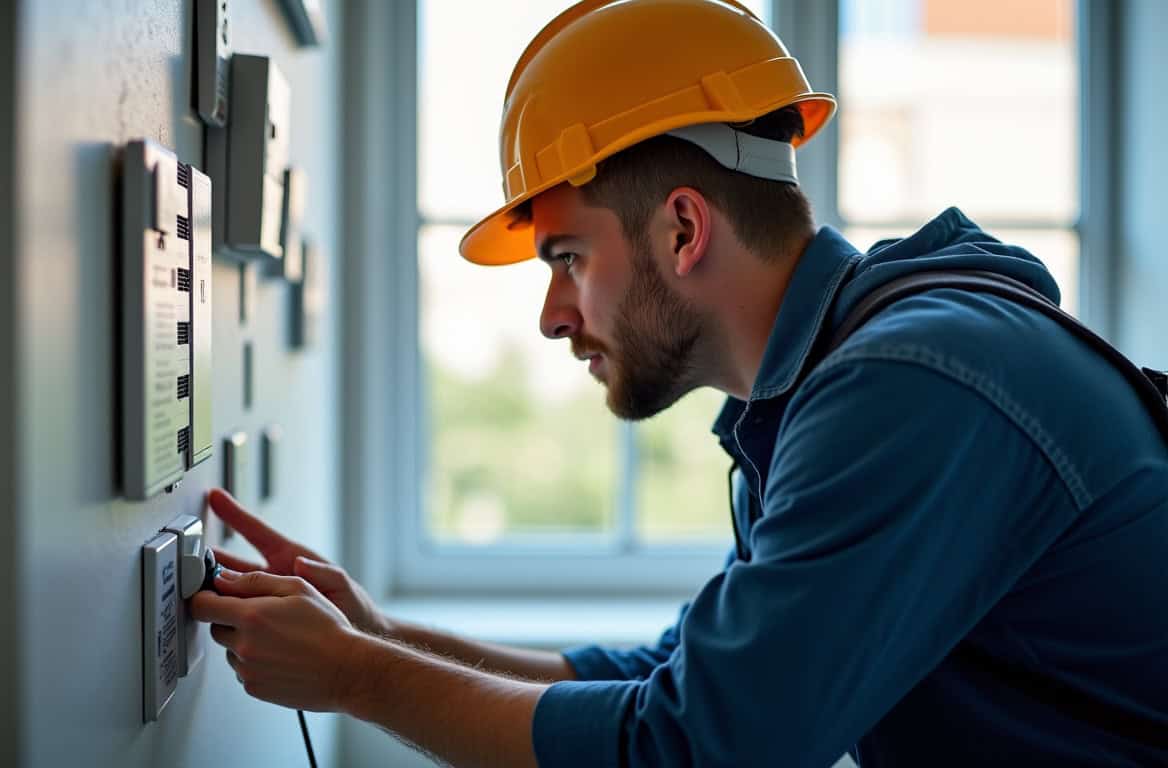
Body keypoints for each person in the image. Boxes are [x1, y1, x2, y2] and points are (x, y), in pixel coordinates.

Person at [190, 1, 1168, 765]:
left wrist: (362, 679)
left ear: (684, 229)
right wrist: (379, 634)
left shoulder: (908, 389)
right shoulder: (829, 387)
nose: (553, 316)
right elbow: (675, 677)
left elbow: (697, 748)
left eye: (568, 257)